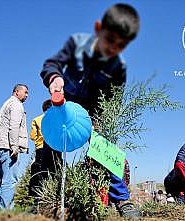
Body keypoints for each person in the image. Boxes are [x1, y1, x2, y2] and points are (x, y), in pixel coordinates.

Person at [39, 3, 140, 217]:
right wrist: (55, 78)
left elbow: (113, 104)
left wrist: (100, 122)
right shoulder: (77, 44)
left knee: (106, 149)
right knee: (50, 148)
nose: (113, 48)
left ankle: (122, 200)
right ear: (98, 28)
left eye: (121, 45)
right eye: (110, 39)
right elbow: (51, 64)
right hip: (65, 108)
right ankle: (42, 200)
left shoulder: (118, 69)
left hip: (93, 117)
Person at [0, 84, 29, 209]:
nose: (27, 95)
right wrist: (15, 147)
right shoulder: (17, 105)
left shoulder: (6, 104)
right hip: (8, 148)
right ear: (16, 92)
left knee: (4, 182)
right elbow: (14, 127)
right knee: (10, 181)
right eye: (25, 92)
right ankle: (7, 213)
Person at [29, 99, 62, 198]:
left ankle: (38, 197)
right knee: (55, 171)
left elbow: (32, 136)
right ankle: (55, 195)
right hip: (56, 148)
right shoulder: (58, 119)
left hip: (41, 149)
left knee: (40, 173)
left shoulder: (36, 120)